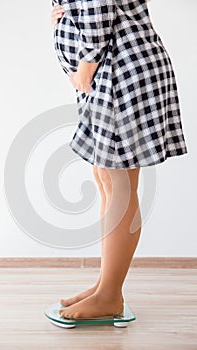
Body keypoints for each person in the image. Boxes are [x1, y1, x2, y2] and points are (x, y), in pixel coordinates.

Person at [50, 0, 188, 319]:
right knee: (107, 181)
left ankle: (110, 295)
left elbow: (99, 12)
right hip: (110, 71)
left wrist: (84, 68)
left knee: (119, 186)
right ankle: (105, 286)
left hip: (117, 71)